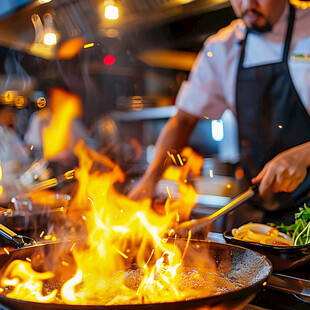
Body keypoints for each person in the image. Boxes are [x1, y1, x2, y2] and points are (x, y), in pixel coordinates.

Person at [129, 0, 310, 227]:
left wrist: (304, 154)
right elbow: (183, 120)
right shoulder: (223, 46)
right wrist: (148, 181)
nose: (248, 4)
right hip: (255, 205)